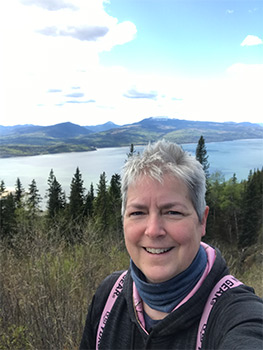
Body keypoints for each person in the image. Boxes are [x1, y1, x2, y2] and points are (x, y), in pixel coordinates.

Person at [79, 140, 263, 350]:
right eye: (137, 213)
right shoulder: (109, 297)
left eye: (172, 212)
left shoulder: (236, 315)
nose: (153, 230)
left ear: (202, 221)